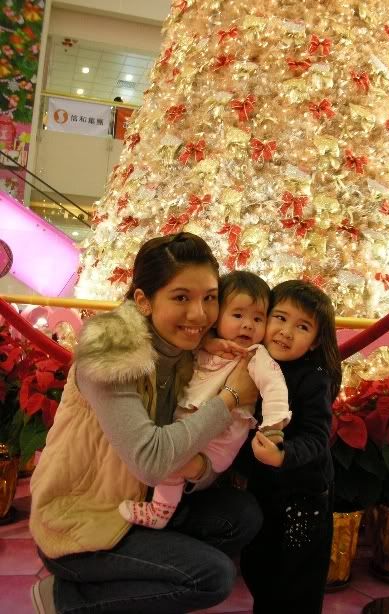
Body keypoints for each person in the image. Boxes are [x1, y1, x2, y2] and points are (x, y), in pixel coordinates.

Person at [29, 232, 263, 614]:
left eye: (209, 298)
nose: (199, 314)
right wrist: (231, 397)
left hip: (141, 503)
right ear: (143, 300)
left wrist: (200, 469)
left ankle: (131, 586)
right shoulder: (110, 352)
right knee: (211, 577)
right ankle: (66, 598)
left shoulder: (187, 349)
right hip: (81, 519)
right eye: (181, 298)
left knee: (241, 516)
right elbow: (151, 462)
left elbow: (192, 456)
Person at [119, 271, 292, 529]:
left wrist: (273, 427)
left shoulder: (255, 356)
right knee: (171, 465)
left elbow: (275, 387)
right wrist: (210, 341)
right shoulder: (201, 344)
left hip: (219, 442)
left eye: (258, 318)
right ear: (217, 316)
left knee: (172, 465)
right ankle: (162, 512)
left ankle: (159, 512)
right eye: (238, 315)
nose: (248, 325)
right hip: (190, 430)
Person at [237, 280, 342, 614]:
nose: (286, 331)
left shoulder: (313, 377)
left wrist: (284, 455)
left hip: (303, 497)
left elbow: (316, 436)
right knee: (259, 566)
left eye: (302, 326)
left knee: (297, 579)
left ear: (315, 341)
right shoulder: (256, 360)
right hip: (264, 491)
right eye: (280, 318)